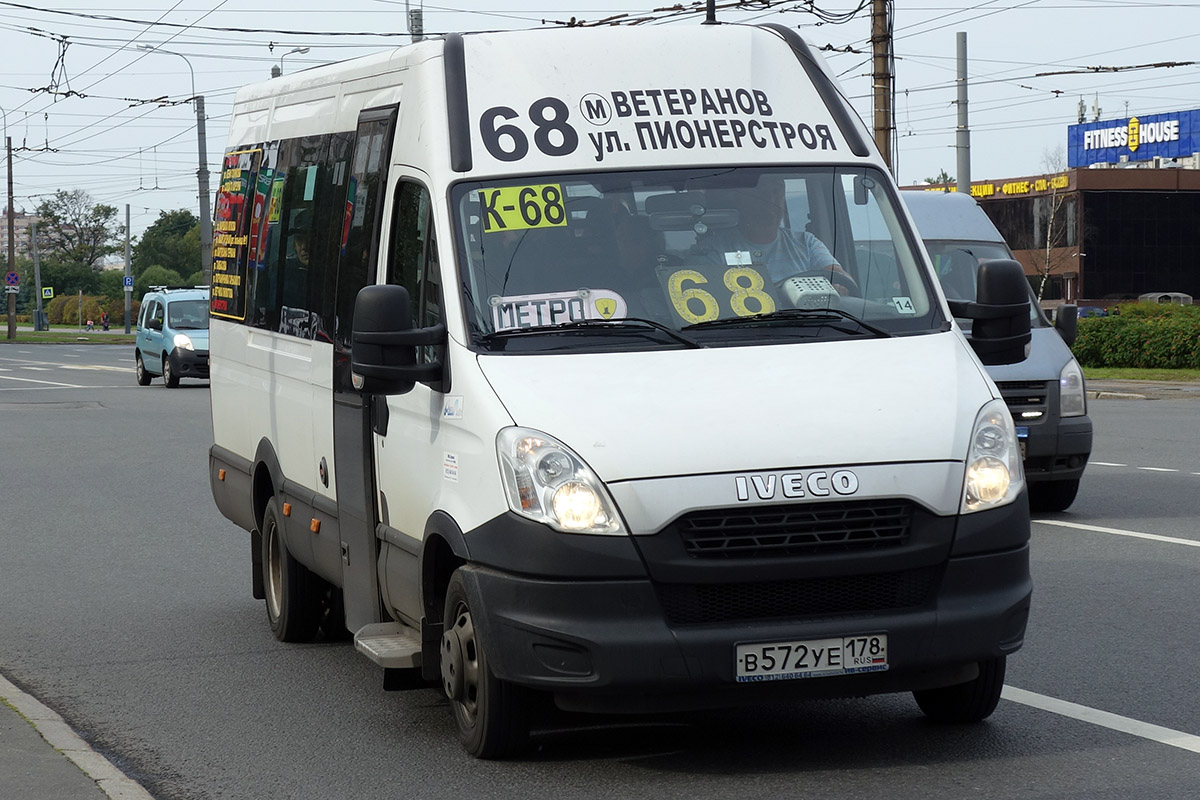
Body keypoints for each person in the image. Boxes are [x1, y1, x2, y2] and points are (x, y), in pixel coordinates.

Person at [702, 175, 854, 295]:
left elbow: (841, 278)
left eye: (776, 192)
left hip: (809, 326)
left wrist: (839, 286)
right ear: (740, 199)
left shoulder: (806, 242)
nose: (771, 201)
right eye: (761, 194)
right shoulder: (714, 249)